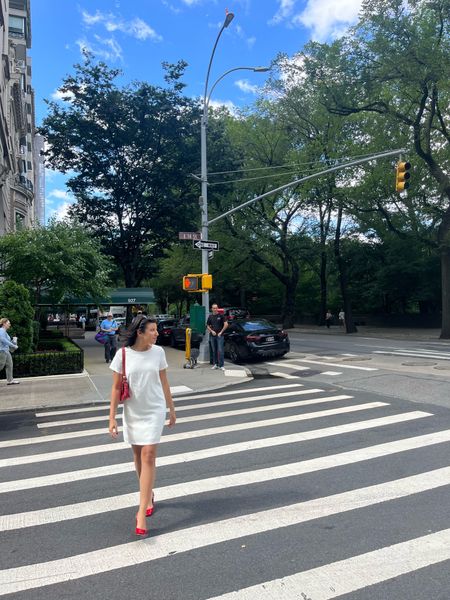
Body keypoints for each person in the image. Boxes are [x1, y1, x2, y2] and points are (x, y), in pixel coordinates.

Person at [108, 317, 176, 537]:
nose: (157, 333)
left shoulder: (158, 353)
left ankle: (140, 510)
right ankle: (149, 494)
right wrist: (112, 418)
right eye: (153, 330)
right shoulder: (123, 355)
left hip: (154, 409)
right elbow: (116, 388)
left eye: (156, 330)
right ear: (140, 332)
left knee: (148, 455)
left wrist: (171, 409)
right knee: (137, 456)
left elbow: (164, 382)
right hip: (133, 411)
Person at [206, 303, 228, 371]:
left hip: (220, 336)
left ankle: (221, 365)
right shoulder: (210, 316)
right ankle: (216, 364)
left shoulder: (221, 315)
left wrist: (221, 332)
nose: (215, 309)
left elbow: (226, 324)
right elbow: (207, 326)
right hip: (212, 336)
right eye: (214, 308)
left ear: (217, 308)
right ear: (212, 309)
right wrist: (211, 331)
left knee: (220, 350)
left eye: (216, 308)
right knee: (214, 350)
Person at [0, 318, 19, 385]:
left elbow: (7, 341)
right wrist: (13, 346)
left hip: (6, 351)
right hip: (1, 351)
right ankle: (10, 380)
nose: (9, 325)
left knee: (9, 365)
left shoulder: (5, 332)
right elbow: (3, 340)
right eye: (8, 323)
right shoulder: (1, 330)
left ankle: (10, 380)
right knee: (1, 365)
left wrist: (14, 341)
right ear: (4, 324)